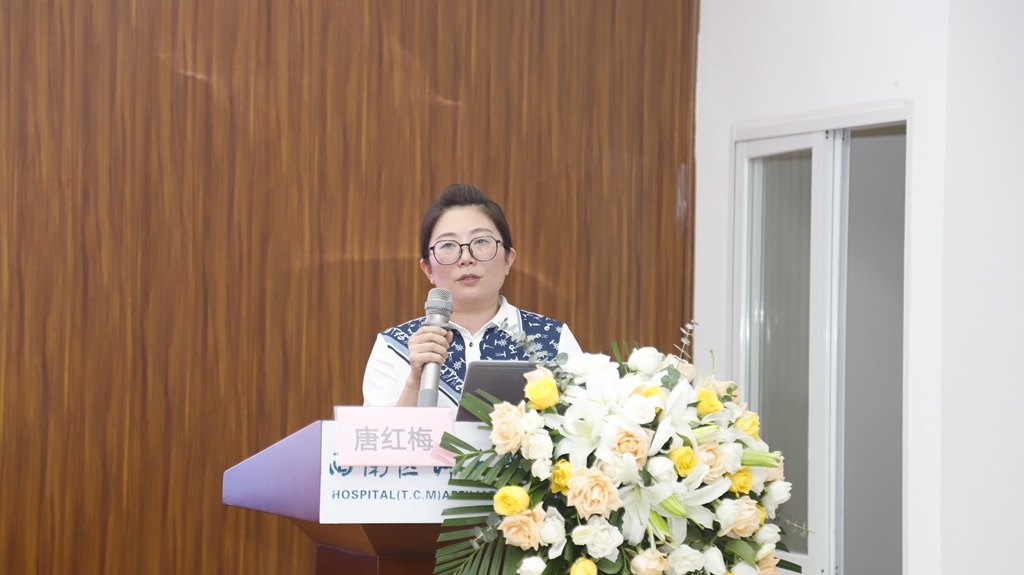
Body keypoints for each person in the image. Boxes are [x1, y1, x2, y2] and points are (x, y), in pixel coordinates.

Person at [362, 183, 583, 409]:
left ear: (508, 259)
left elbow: (582, 421)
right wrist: (414, 381)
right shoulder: (395, 348)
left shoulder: (553, 339)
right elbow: (377, 432)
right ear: (428, 269)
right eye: (448, 245)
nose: (466, 258)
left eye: (481, 242)